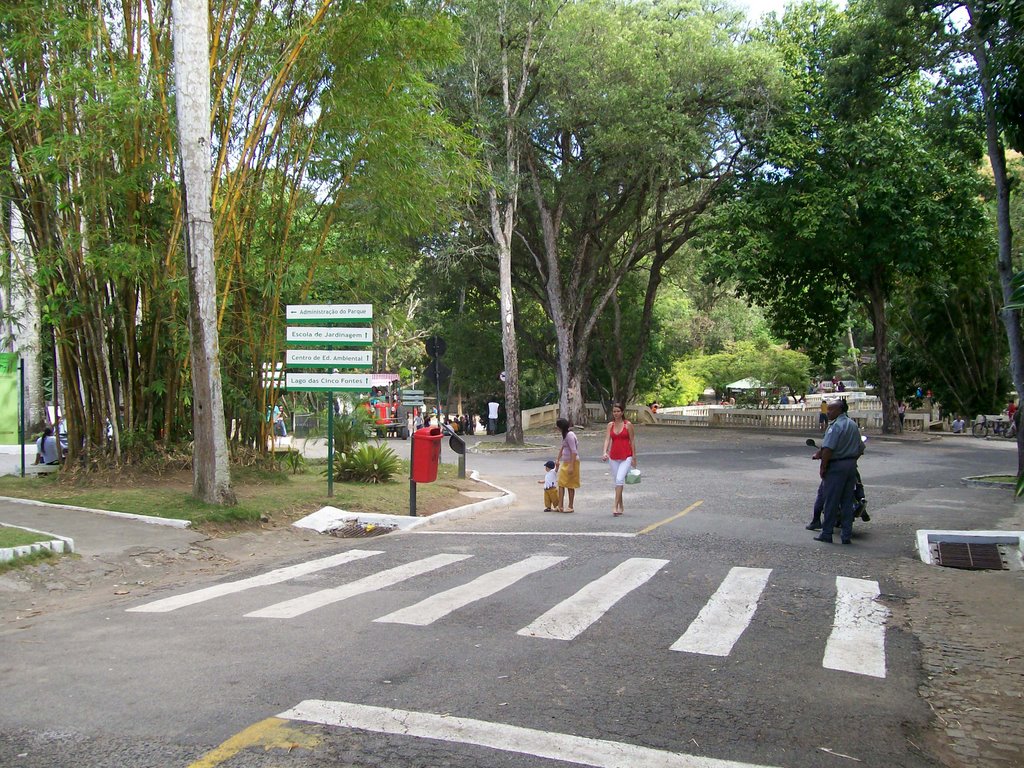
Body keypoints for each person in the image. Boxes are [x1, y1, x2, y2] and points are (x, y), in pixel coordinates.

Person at [813, 399, 864, 545]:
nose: (828, 412)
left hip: (836, 466)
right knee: (847, 501)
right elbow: (861, 448)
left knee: (831, 501)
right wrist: (851, 459)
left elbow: (828, 449)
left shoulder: (835, 427)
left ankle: (827, 533)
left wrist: (823, 467)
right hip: (851, 465)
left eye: (831, 409)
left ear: (840, 410)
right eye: (827, 409)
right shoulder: (853, 425)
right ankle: (846, 535)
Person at [602, 402, 637, 517]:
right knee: (618, 481)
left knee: (619, 479)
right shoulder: (610, 425)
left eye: (618, 411)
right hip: (613, 456)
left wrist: (634, 457)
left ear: (622, 412)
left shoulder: (628, 425)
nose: (616, 413)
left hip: (626, 456)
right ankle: (621, 505)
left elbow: (632, 441)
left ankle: (615, 506)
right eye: (614, 411)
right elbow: (607, 439)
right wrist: (605, 452)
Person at [554, 417, 580, 513]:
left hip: (572, 462)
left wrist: (571, 465)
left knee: (570, 484)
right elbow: (562, 448)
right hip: (566, 462)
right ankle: (560, 505)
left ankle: (570, 506)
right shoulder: (565, 435)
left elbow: (574, 451)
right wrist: (558, 459)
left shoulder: (570, 435)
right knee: (561, 483)